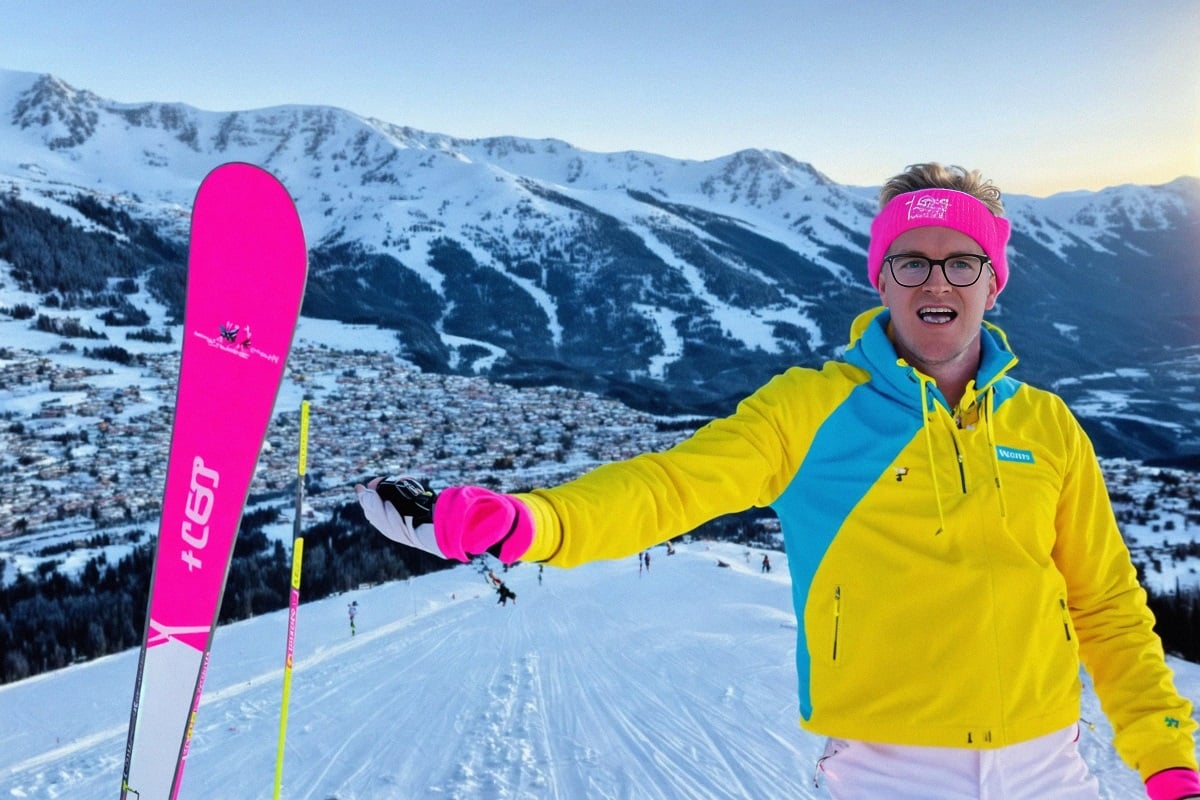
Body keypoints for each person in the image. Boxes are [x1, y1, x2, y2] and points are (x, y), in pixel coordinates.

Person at [356, 164, 1199, 799]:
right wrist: (532, 521)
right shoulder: (809, 409)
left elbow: (1106, 605)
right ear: (881, 278)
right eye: (911, 262)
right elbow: (671, 486)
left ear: (994, 280)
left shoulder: (1047, 426)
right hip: (888, 771)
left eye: (962, 262)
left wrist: (1167, 757)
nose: (937, 281)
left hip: (1050, 764)